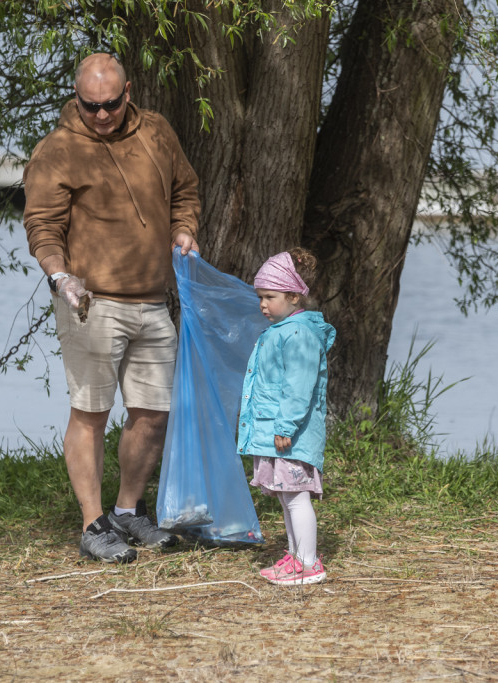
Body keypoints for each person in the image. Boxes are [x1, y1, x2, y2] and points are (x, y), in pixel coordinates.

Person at [22, 53, 201, 563]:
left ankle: (127, 510)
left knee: (152, 413)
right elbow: (43, 227)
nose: (101, 115)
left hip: (152, 300)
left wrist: (184, 228)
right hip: (90, 304)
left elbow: (184, 190)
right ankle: (92, 523)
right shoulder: (57, 150)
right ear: (77, 98)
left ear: (128, 92)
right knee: (91, 412)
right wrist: (60, 277)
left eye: (111, 104)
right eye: (90, 106)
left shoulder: (158, 132)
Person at [236, 248, 336, 585]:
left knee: (296, 495)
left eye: (270, 297)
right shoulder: (281, 330)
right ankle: (295, 556)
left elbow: (299, 387)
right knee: (286, 495)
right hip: (277, 432)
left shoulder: (298, 334)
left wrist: (285, 426)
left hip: (291, 434)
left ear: (294, 296)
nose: (263, 304)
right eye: (260, 297)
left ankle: (309, 564)